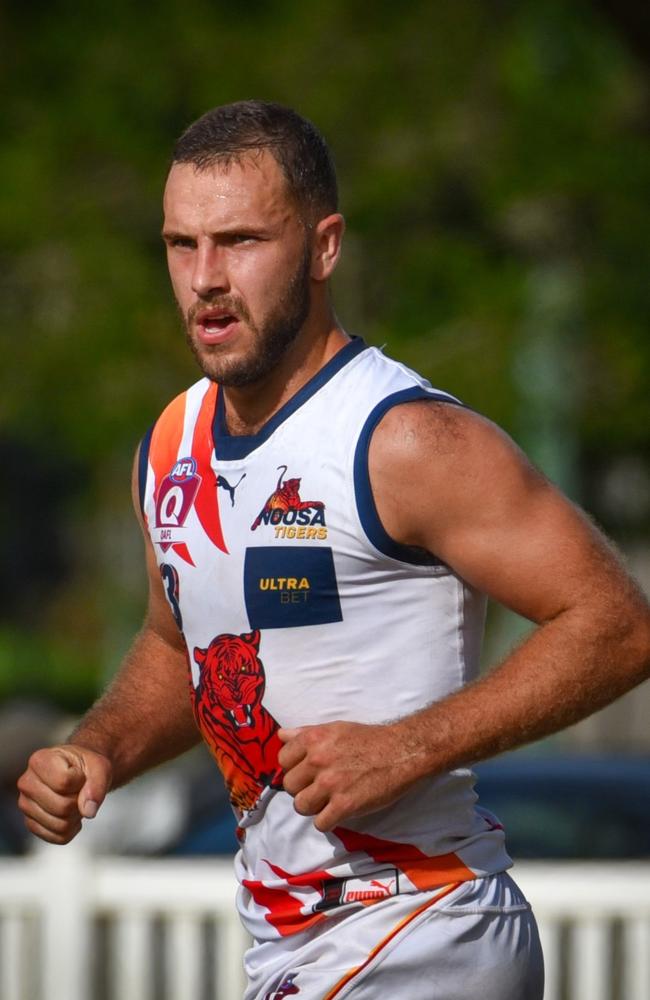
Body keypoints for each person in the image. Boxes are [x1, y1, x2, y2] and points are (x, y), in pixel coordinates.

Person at [17, 100, 650, 999]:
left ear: (324, 247)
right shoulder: (169, 447)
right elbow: (178, 648)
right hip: (293, 950)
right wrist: (99, 751)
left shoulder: (407, 440)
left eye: (239, 241)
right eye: (180, 244)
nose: (205, 278)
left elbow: (618, 624)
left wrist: (409, 747)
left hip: (425, 931)